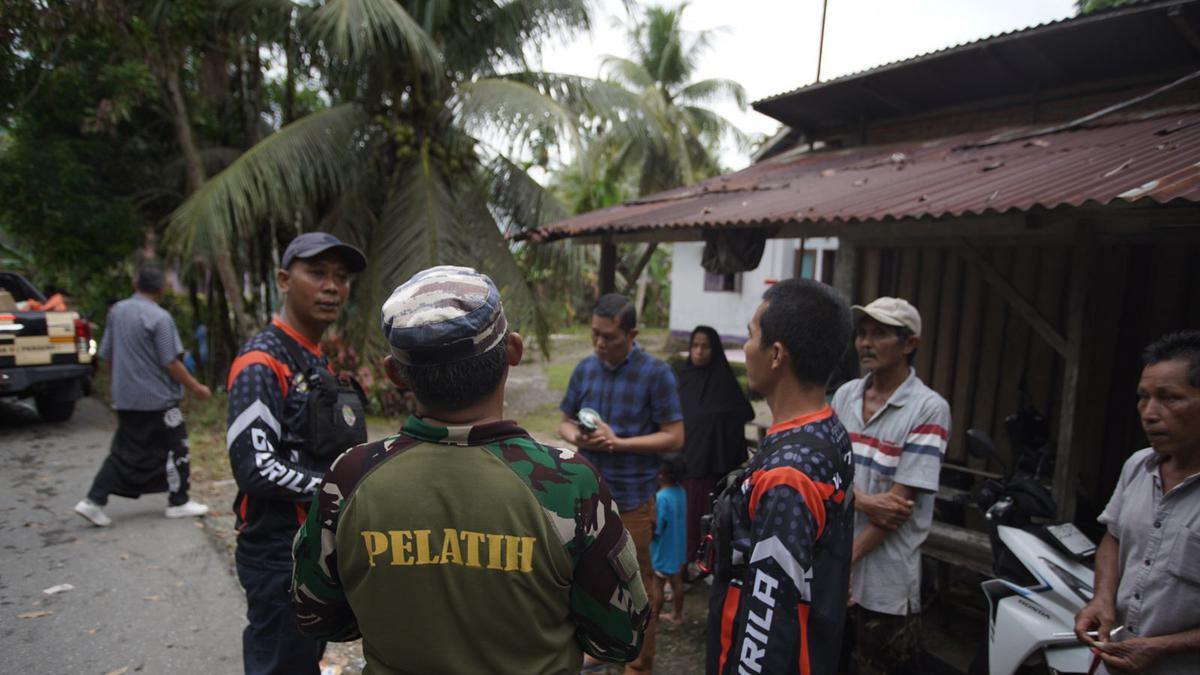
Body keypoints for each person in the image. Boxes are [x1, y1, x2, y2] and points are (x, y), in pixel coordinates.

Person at [291, 266, 650, 674]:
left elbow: (316, 616)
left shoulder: (350, 477)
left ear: (394, 374)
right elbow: (623, 637)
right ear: (512, 351)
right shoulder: (570, 483)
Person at [226, 232, 366, 675]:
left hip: (313, 547)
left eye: (341, 277)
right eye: (317, 273)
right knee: (281, 662)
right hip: (276, 552)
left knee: (304, 657)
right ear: (285, 280)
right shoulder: (261, 363)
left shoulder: (313, 358)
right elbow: (255, 467)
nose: (332, 286)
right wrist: (338, 489)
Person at [706, 278, 855, 675]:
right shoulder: (828, 429)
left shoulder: (788, 477)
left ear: (776, 354)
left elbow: (766, 620)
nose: (744, 346)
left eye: (752, 335)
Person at [558, 293, 685, 674]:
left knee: (638, 590)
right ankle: (599, 649)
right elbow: (563, 421)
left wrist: (620, 443)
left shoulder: (656, 373)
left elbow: (675, 437)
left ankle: (637, 666)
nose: (599, 343)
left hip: (631, 502)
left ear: (632, 334)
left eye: (609, 337)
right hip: (585, 500)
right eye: (595, 334)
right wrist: (576, 437)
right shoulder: (584, 369)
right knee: (585, 584)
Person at [829, 296, 950, 675]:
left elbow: (897, 508)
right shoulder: (846, 396)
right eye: (862, 333)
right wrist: (864, 501)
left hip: (886, 582)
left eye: (879, 334)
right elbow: (823, 475)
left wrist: (844, 560)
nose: (865, 343)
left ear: (909, 344)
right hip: (834, 569)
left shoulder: (928, 408)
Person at [1074, 330, 1200, 675]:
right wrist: (1102, 597)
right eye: (1143, 398)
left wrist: (1161, 647)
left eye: (1169, 398)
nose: (1149, 413)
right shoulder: (1138, 466)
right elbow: (1114, 537)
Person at [74, 263, 212, 527]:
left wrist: (118, 387)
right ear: (161, 289)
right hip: (158, 399)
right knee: (177, 445)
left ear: (136, 284)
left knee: (126, 449)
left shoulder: (117, 312)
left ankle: (94, 500)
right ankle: (179, 500)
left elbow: (107, 354)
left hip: (126, 397)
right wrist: (197, 387)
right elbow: (170, 361)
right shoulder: (160, 318)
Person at [676, 325, 755, 567]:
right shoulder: (682, 379)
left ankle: (705, 561)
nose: (699, 351)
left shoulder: (724, 382)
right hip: (682, 466)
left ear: (715, 349)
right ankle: (680, 564)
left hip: (710, 467)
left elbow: (742, 413)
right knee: (681, 518)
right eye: (695, 345)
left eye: (705, 346)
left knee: (705, 517)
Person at [652, 457, 688, 626]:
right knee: (676, 581)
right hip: (678, 546)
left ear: (660, 475)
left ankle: (653, 618)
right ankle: (677, 615)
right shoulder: (681, 491)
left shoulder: (661, 498)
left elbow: (658, 527)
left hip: (663, 549)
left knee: (657, 585)